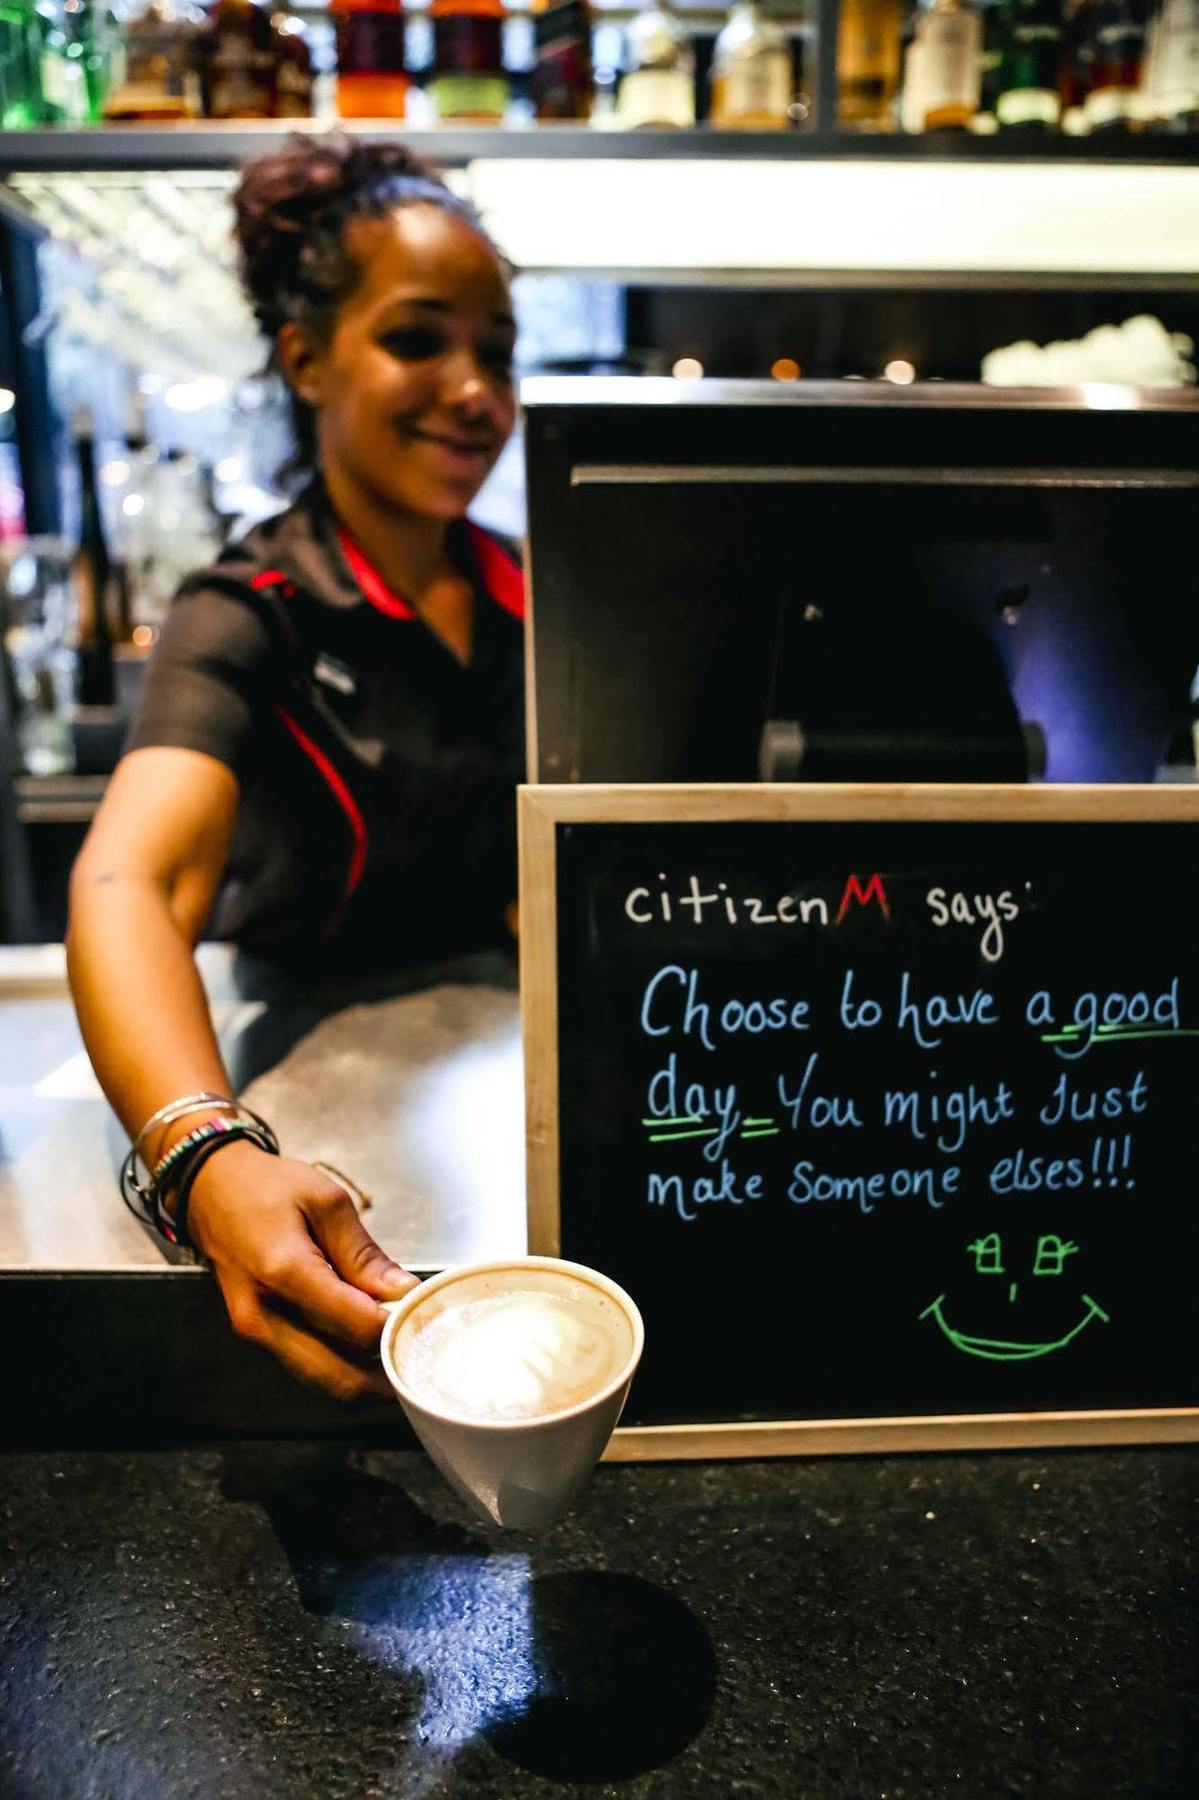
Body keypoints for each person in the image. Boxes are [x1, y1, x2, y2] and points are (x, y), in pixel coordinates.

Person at [66, 136, 523, 1405]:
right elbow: (131, 887)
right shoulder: (246, 611)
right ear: (306, 357)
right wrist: (204, 1154)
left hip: (507, 1102)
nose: (474, 388)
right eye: (420, 340)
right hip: (306, 1100)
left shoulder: (539, 597)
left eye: (497, 350)